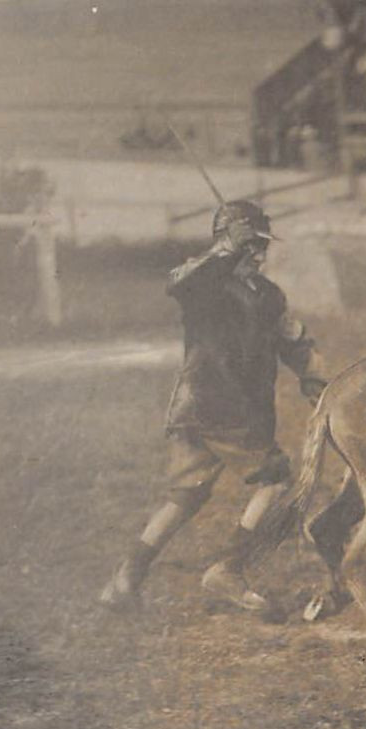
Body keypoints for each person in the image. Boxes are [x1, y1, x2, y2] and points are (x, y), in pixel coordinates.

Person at [99, 200, 327, 613]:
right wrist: (223, 250)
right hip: (223, 408)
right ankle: (229, 570)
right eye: (251, 244)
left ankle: (124, 579)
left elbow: (293, 341)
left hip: (204, 408)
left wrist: (317, 380)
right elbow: (177, 282)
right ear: (229, 241)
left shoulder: (268, 295)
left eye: (263, 246)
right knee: (275, 480)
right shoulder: (205, 286)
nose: (259, 254)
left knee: (185, 496)